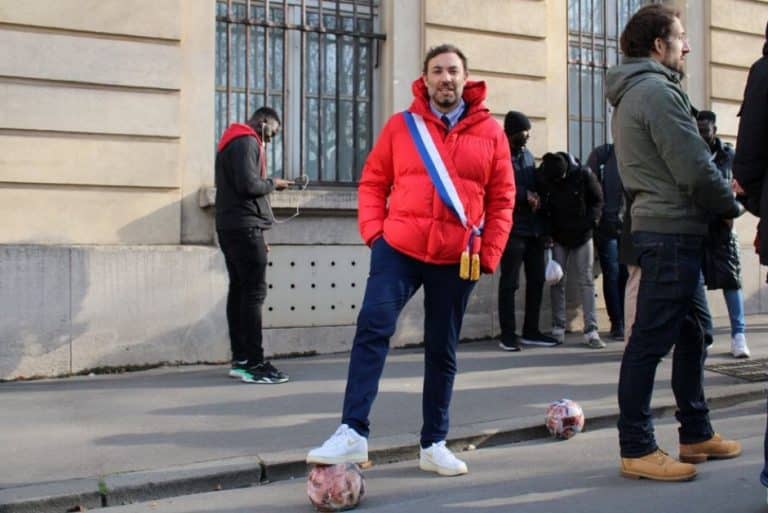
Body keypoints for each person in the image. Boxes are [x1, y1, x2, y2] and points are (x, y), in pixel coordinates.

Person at [306, 44, 514, 476]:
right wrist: (375, 236)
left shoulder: (491, 132)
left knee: (442, 349)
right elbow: (372, 181)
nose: (446, 78)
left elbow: (503, 198)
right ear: (425, 79)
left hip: (457, 256)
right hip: (399, 249)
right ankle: (352, 431)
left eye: (453, 70)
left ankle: (434, 442)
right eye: (437, 71)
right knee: (373, 326)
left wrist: (489, 253)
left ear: (466, 77)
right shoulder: (402, 127)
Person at [606, 4, 744, 482]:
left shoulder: (642, 91)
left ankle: (695, 431)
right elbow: (693, 165)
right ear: (658, 45)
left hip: (673, 230)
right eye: (680, 38)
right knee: (648, 341)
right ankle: (637, 447)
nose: (686, 46)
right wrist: (731, 204)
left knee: (692, 335)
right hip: (668, 233)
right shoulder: (655, 93)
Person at [215, 107, 292, 384]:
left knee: (239, 292)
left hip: (233, 226)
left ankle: (241, 360)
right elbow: (249, 185)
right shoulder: (247, 141)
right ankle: (255, 363)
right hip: (244, 227)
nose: (271, 139)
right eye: (273, 131)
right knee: (253, 294)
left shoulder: (232, 141)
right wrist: (274, 183)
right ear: (264, 122)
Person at [497, 111, 560, 351]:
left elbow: (533, 182)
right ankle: (507, 334)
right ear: (513, 133)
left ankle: (531, 330)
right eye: (524, 133)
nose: (527, 137)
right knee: (509, 283)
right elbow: (497, 188)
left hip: (532, 228)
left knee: (535, 280)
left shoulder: (527, 156)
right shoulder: (499, 154)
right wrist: (524, 195)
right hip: (511, 228)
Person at [696, 110, 750, 358]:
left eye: (706, 130)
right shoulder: (690, 153)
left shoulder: (729, 156)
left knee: (731, 281)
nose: (702, 135)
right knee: (693, 284)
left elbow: (743, 191)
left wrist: (733, 212)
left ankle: (739, 336)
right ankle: (703, 334)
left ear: (714, 130)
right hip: (695, 226)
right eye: (699, 130)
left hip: (723, 227)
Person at [537, 152, 605, 349]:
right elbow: (544, 210)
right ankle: (558, 327)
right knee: (556, 280)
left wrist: (589, 223)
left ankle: (591, 330)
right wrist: (547, 234)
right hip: (558, 237)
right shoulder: (547, 176)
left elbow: (597, 201)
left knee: (586, 281)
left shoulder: (583, 175)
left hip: (583, 236)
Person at [586, 143, 628, 340]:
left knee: (626, 275)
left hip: (629, 227)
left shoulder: (636, 153)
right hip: (606, 226)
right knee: (612, 273)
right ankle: (617, 322)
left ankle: (626, 319)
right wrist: (596, 218)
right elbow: (589, 185)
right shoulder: (603, 154)